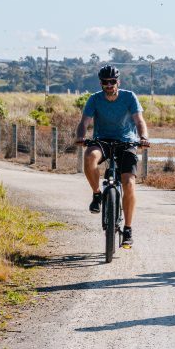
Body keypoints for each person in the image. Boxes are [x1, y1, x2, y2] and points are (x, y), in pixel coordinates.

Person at [75, 65, 150, 249]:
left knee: (129, 183)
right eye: (105, 82)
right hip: (103, 140)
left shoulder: (129, 97)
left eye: (112, 81)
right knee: (90, 156)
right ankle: (97, 194)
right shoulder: (94, 99)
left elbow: (139, 120)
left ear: (118, 82)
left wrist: (143, 137)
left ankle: (128, 230)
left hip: (127, 142)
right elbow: (84, 122)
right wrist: (80, 136)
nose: (109, 85)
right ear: (100, 83)